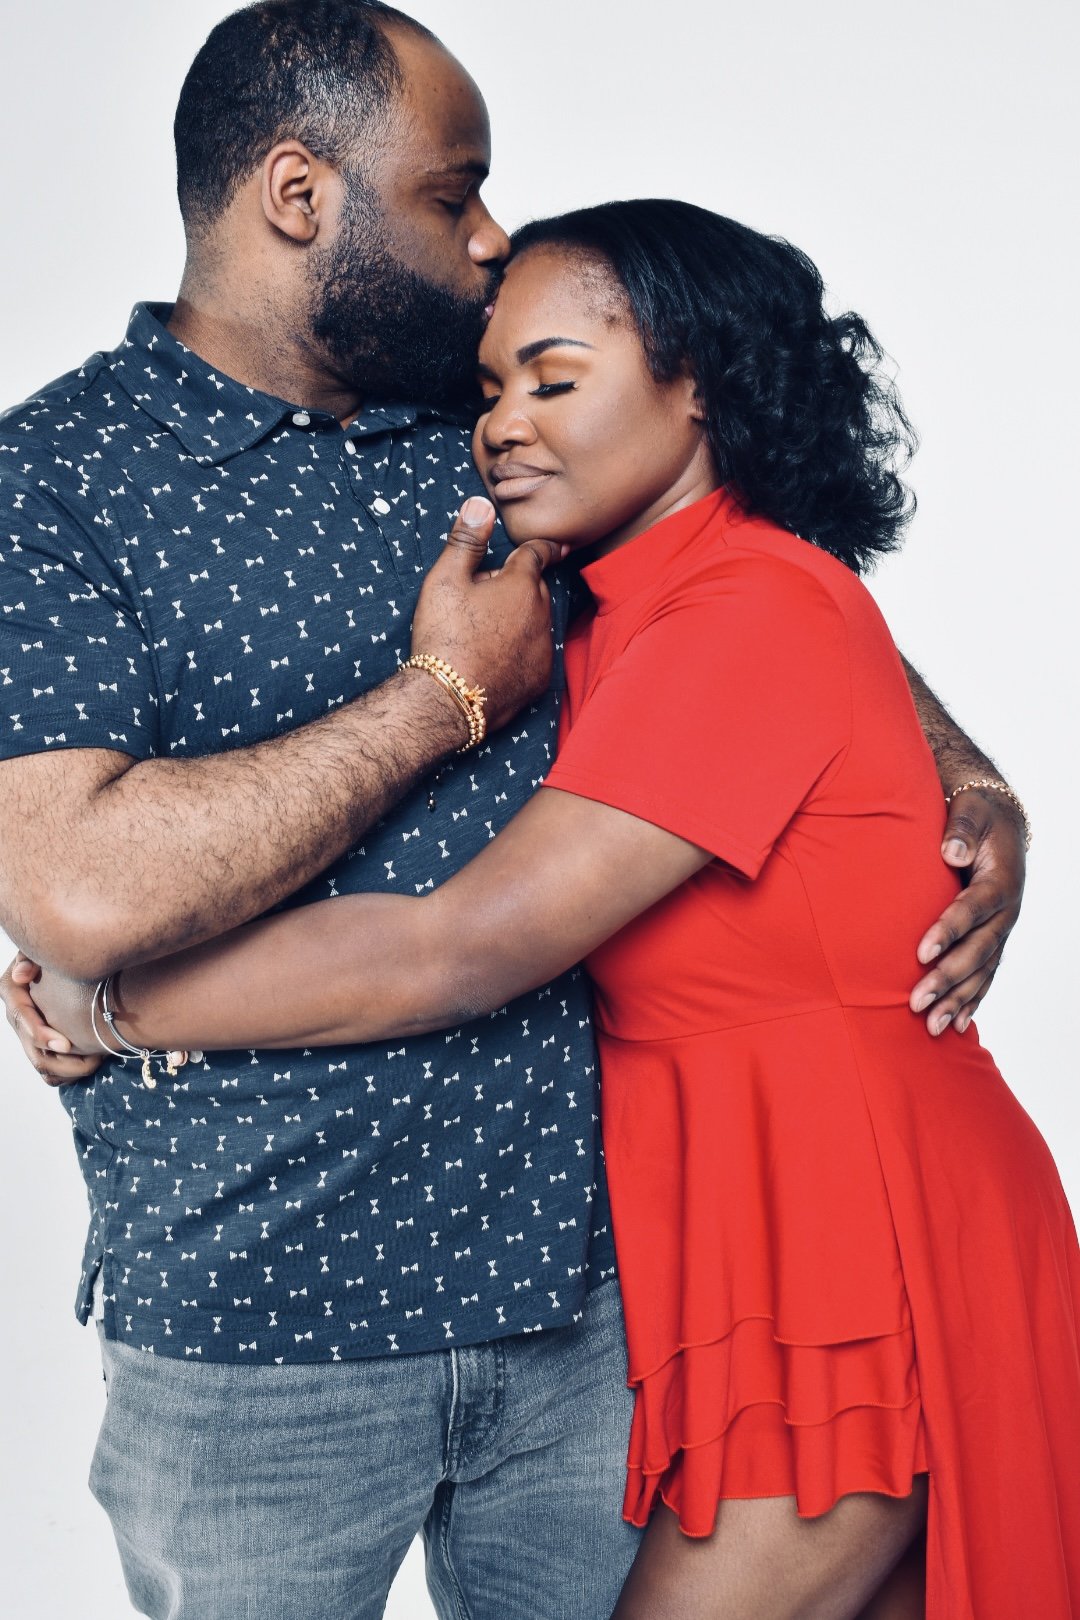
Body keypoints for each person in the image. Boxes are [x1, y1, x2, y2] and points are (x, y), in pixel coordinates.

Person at [0, 4, 1031, 1617]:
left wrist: (968, 785)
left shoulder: (505, 436)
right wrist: (439, 700)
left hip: (610, 1296)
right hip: (264, 1331)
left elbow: (773, 608)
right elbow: (71, 880)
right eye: (450, 193)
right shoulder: (55, 479)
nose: (488, 241)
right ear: (295, 194)